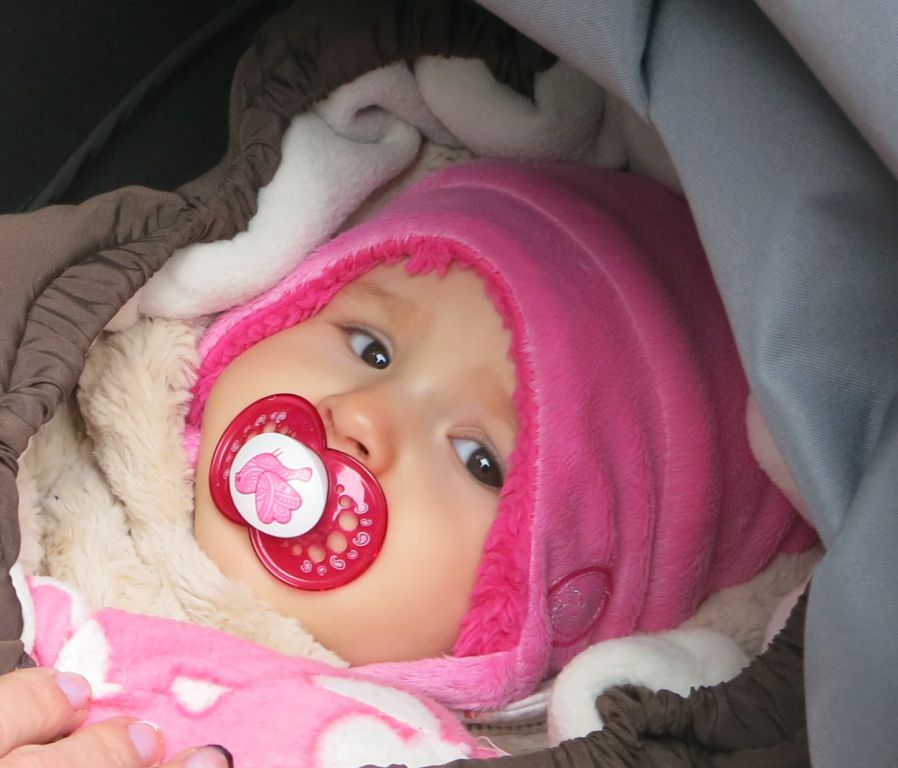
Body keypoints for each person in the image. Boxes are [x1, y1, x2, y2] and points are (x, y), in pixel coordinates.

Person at [12, 159, 816, 763]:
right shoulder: (39, 472)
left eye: (479, 460)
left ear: (524, 623)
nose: (366, 416)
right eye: (371, 346)